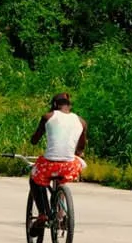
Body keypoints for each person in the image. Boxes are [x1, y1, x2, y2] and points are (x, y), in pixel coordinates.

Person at [27, 92, 87, 227]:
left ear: (54, 105)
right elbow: (81, 146)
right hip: (69, 166)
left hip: (50, 164)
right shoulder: (81, 122)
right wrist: (77, 152)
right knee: (62, 179)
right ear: (69, 106)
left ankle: (43, 214)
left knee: (35, 178)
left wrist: (34, 139)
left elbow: (34, 140)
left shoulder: (48, 117)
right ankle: (62, 213)